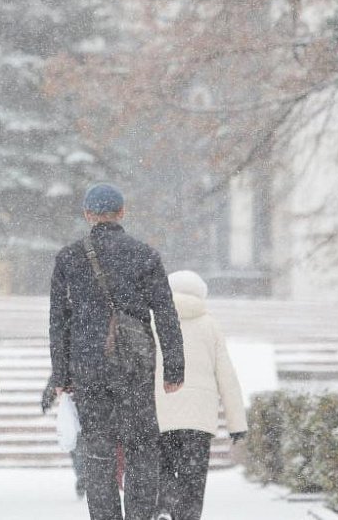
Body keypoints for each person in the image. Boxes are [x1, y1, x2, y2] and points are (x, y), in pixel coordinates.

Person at [48, 183, 185, 520]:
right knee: (141, 448)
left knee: (98, 450)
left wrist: (62, 375)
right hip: (134, 365)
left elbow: (58, 321)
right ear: (122, 212)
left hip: (89, 366)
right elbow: (166, 313)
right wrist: (174, 368)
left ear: (87, 214)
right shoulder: (145, 255)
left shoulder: (68, 258)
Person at [154, 270, 247, 520]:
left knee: (163, 468)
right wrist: (236, 424)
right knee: (193, 480)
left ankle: (164, 505)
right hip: (198, 418)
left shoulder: (155, 321)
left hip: (162, 412)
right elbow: (226, 376)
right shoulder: (209, 324)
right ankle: (187, 515)